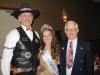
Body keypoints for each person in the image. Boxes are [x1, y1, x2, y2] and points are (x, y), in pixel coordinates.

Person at [1, 3, 40, 75]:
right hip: (19, 73)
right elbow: (6, 58)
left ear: (33, 18)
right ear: (19, 18)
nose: (28, 18)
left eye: (30, 15)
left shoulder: (36, 34)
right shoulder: (14, 34)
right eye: (24, 15)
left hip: (34, 72)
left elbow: (38, 54)